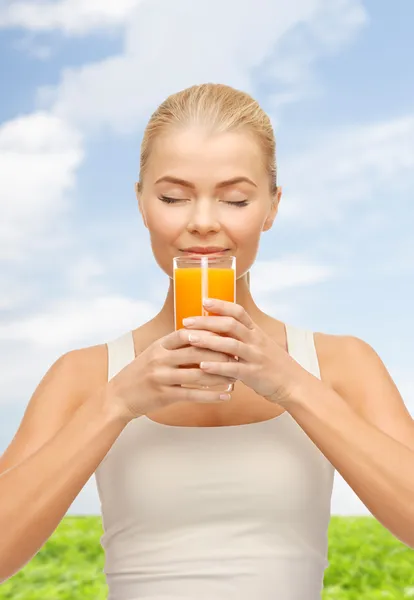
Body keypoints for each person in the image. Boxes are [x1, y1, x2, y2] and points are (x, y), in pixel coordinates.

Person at [0, 83, 413, 598]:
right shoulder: (85, 375)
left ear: (271, 207)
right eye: (173, 197)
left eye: (235, 199)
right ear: (141, 204)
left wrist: (292, 384)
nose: (201, 222)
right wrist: (117, 402)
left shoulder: (342, 363)